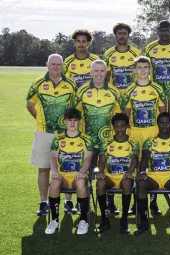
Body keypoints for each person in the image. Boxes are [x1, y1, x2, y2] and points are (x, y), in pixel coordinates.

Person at [26, 54, 76, 216]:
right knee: (43, 168)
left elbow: (76, 108)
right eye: (53, 64)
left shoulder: (71, 84)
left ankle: (68, 201)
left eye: (58, 64)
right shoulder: (38, 83)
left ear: (63, 66)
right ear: (47, 64)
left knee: (68, 168)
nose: (55, 67)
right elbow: (30, 105)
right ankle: (43, 202)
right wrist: (41, 120)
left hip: (65, 135)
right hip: (43, 133)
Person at [74, 60, 122, 214]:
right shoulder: (81, 91)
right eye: (96, 71)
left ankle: (110, 204)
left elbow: (120, 118)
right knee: (86, 174)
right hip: (87, 142)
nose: (99, 74)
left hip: (107, 143)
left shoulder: (114, 92)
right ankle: (83, 204)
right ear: (91, 72)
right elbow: (75, 116)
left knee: (108, 173)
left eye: (102, 71)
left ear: (106, 73)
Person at [124, 56, 167, 215]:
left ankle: (154, 203)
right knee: (136, 167)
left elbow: (163, 115)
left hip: (153, 133)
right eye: (139, 67)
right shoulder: (129, 90)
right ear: (135, 70)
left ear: (150, 69)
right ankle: (137, 203)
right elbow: (126, 115)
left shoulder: (158, 89)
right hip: (135, 133)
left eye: (145, 67)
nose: (142, 70)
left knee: (153, 167)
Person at [62, 29, 99, 213]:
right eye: (79, 41)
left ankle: (84, 196)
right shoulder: (68, 62)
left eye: (85, 41)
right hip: (74, 117)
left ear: (89, 43)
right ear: (74, 43)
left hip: (91, 116)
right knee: (72, 156)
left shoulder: (94, 61)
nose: (81, 44)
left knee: (89, 161)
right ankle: (68, 199)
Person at [134, 112, 170, 235]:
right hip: (154, 176)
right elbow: (144, 159)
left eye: (167, 123)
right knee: (141, 183)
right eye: (161, 123)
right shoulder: (149, 142)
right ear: (157, 124)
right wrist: (142, 172)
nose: (164, 126)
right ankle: (144, 222)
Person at [44, 109, 93, 235]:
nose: (72, 123)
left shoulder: (86, 139)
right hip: (63, 176)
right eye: (69, 120)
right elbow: (53, 157)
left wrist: (81, 172)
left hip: (79, 175)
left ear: (79, 122)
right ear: (65, 121)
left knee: (81, 182)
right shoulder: (58, 138)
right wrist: (55, 171)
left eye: (75, 120)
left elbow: (88, 158)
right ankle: (54, 220)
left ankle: (83, 221)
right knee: (54, 182)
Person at [94, 113, 139, 234]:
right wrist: (101, 172)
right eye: (117, 126)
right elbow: (102, 160)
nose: (120, 129)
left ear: (127, 126)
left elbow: (134, 159)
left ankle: (124, 219)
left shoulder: (133, 143)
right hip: (110, 176)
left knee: (126, 182)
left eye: (123, 126)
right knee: (100, 183)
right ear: (113, 127)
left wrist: (130, 172)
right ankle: (104, 219)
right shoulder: (106, 143)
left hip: (125, 176)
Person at [104, 23, 141, 95]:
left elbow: (141, 74)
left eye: (124, 33)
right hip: (115, 95)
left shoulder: (136, 53)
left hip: (133, 94)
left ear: (128, 36)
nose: (122, 36)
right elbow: (106, 76)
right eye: (119, 33)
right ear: (115, 35)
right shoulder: (108, 53)